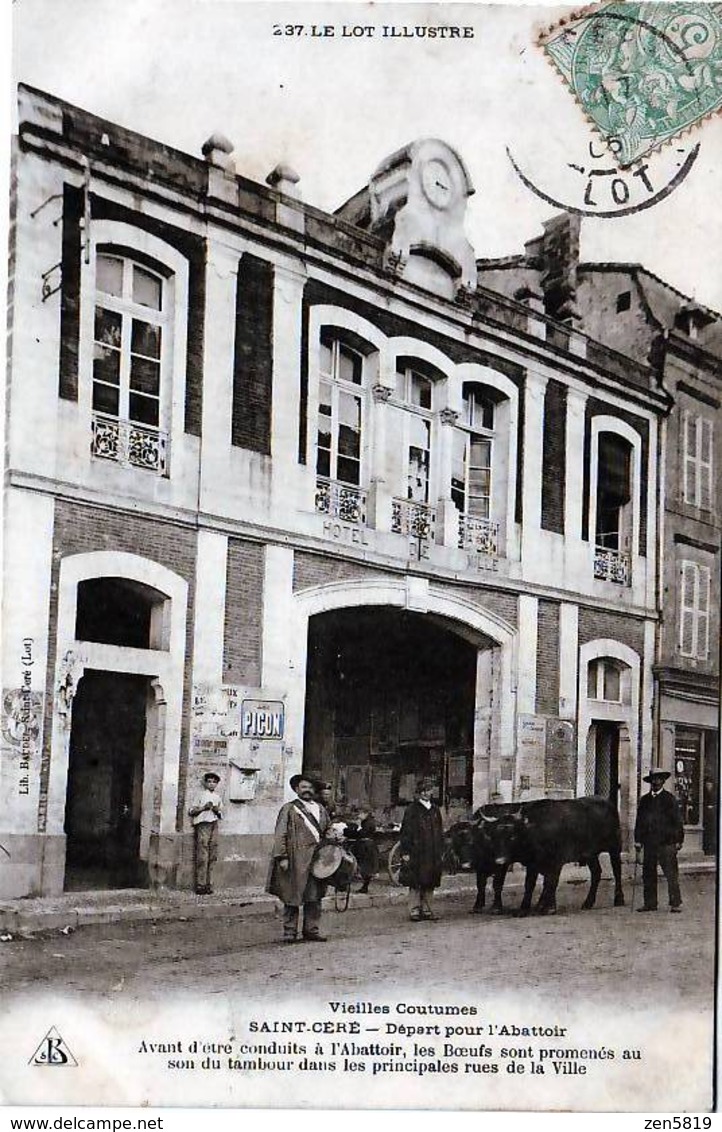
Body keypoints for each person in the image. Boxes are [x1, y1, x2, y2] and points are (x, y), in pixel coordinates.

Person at [267, 774, 331, 943]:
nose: (307, 790)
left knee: (315, 896)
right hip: (296, 859)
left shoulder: (321, 809)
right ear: (297, 790)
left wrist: (335, 835)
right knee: (292, 895)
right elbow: (280, 834)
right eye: (303, 787)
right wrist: (282, 856)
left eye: (310, 787)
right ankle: (290, 932)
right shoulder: (289, 809)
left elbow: (327, 830)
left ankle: (312, 930)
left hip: (317, 859)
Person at [634, 767, 684, 913]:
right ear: (650, 782)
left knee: (671, 873)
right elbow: (640, 822)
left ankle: (675, 903)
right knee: (648, 873)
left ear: (663, 781)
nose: (656, 782)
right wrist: (638, 840)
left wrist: (679, 840)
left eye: (658, 779)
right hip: (649, 843)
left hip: (666, 843)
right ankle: (650, 903)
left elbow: (677, 821)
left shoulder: (669, 799)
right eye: (653, 779)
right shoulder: (645, 800)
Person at [399, 778, 445, 922]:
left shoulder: (435, 810)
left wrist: (441, 849)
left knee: (430, 881)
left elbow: (440, 831)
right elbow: (405, 831)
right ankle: (414, 910)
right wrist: (405, 852)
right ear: (419, 793)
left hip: (433, 851)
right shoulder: (412, 810)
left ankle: (427, 909)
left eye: (428, 790)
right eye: (423, 791)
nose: (426, 793)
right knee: (415, 881)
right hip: (417, 851)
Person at [188, 771, 222, 895]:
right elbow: (191, 811)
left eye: (214, 782)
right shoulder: (200, 795)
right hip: (203, 824)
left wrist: (217, 810)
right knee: (203, 854)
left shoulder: (218, 797)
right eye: (209, 781)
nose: (212, 784)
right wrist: (203, 808)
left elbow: (221, 813)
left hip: (214, 824)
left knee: (213, 855)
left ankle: (210, 884)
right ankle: (200, 885)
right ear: (205, 783)